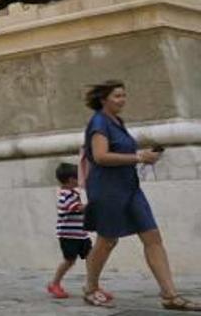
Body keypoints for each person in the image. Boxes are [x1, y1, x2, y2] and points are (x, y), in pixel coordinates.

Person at [80, 80, 199, 311]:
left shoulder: (117, 121)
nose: (122, 100)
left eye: (124, 95)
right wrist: (138, 157)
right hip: (107, 190)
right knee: (107, 240)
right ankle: (90, 287)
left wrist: (143, 156)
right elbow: (101, 156)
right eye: (117, 96)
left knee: (152, 236)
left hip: (130, 187)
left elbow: (121, 152)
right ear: (103, 99)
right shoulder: (98, 122)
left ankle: (169, 295)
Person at [47, 162, 89, 299]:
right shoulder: (65, 195)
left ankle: (92, 284)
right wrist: (94, 203)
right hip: (68, 235)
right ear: (71, 179)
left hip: (81, 234)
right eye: (79, 177)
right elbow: (76, 208)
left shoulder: (73, 192)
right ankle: (54, 283)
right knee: (69, 260)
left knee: (92, 257)